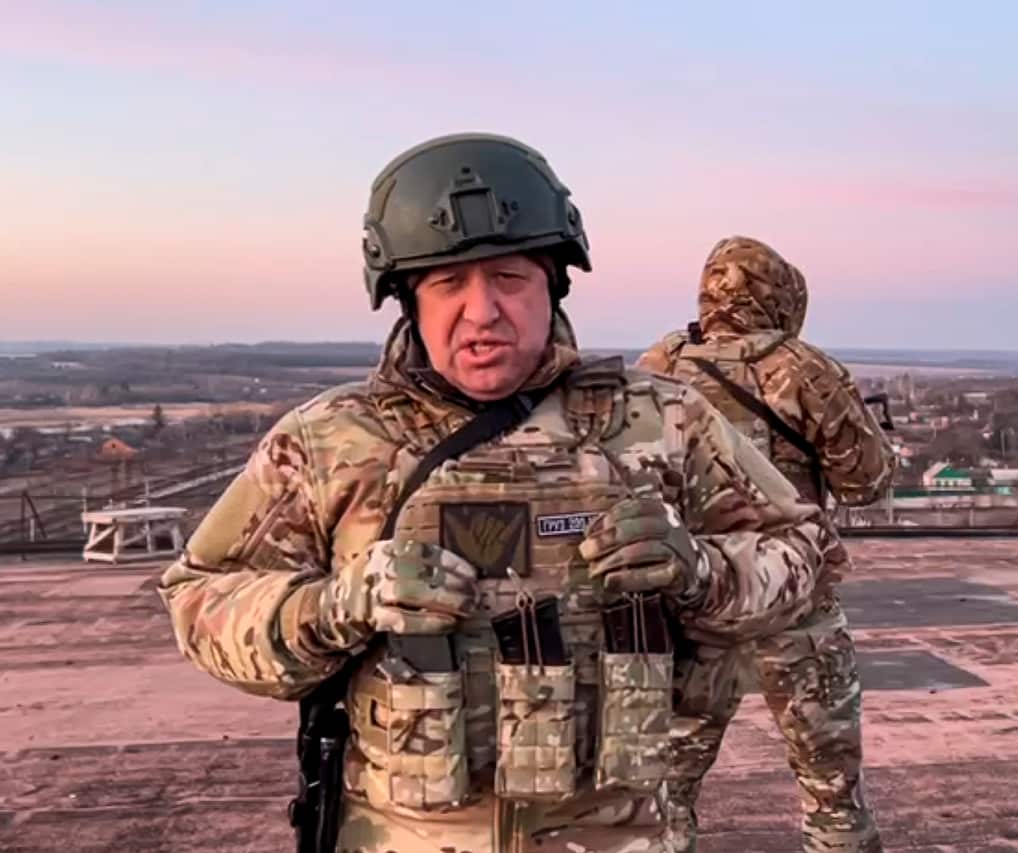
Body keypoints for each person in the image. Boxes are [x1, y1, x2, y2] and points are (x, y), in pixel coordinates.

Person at [158, 136, 846, 853]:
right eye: (449, 283)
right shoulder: (332, 441)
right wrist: (337, 605)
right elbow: (200, 601)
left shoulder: (661, 421)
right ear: (405, 299)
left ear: (553, 283)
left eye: (510, 278)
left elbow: (803, 553)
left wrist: (700, 571)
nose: (483, 310)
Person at [638, 235, 896, 853]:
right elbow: (866, 482)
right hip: (793, 607)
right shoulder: (803, 369)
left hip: (691, 610)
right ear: (777, 295)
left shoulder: (659, 366)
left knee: (660, 805)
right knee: (833, 796)